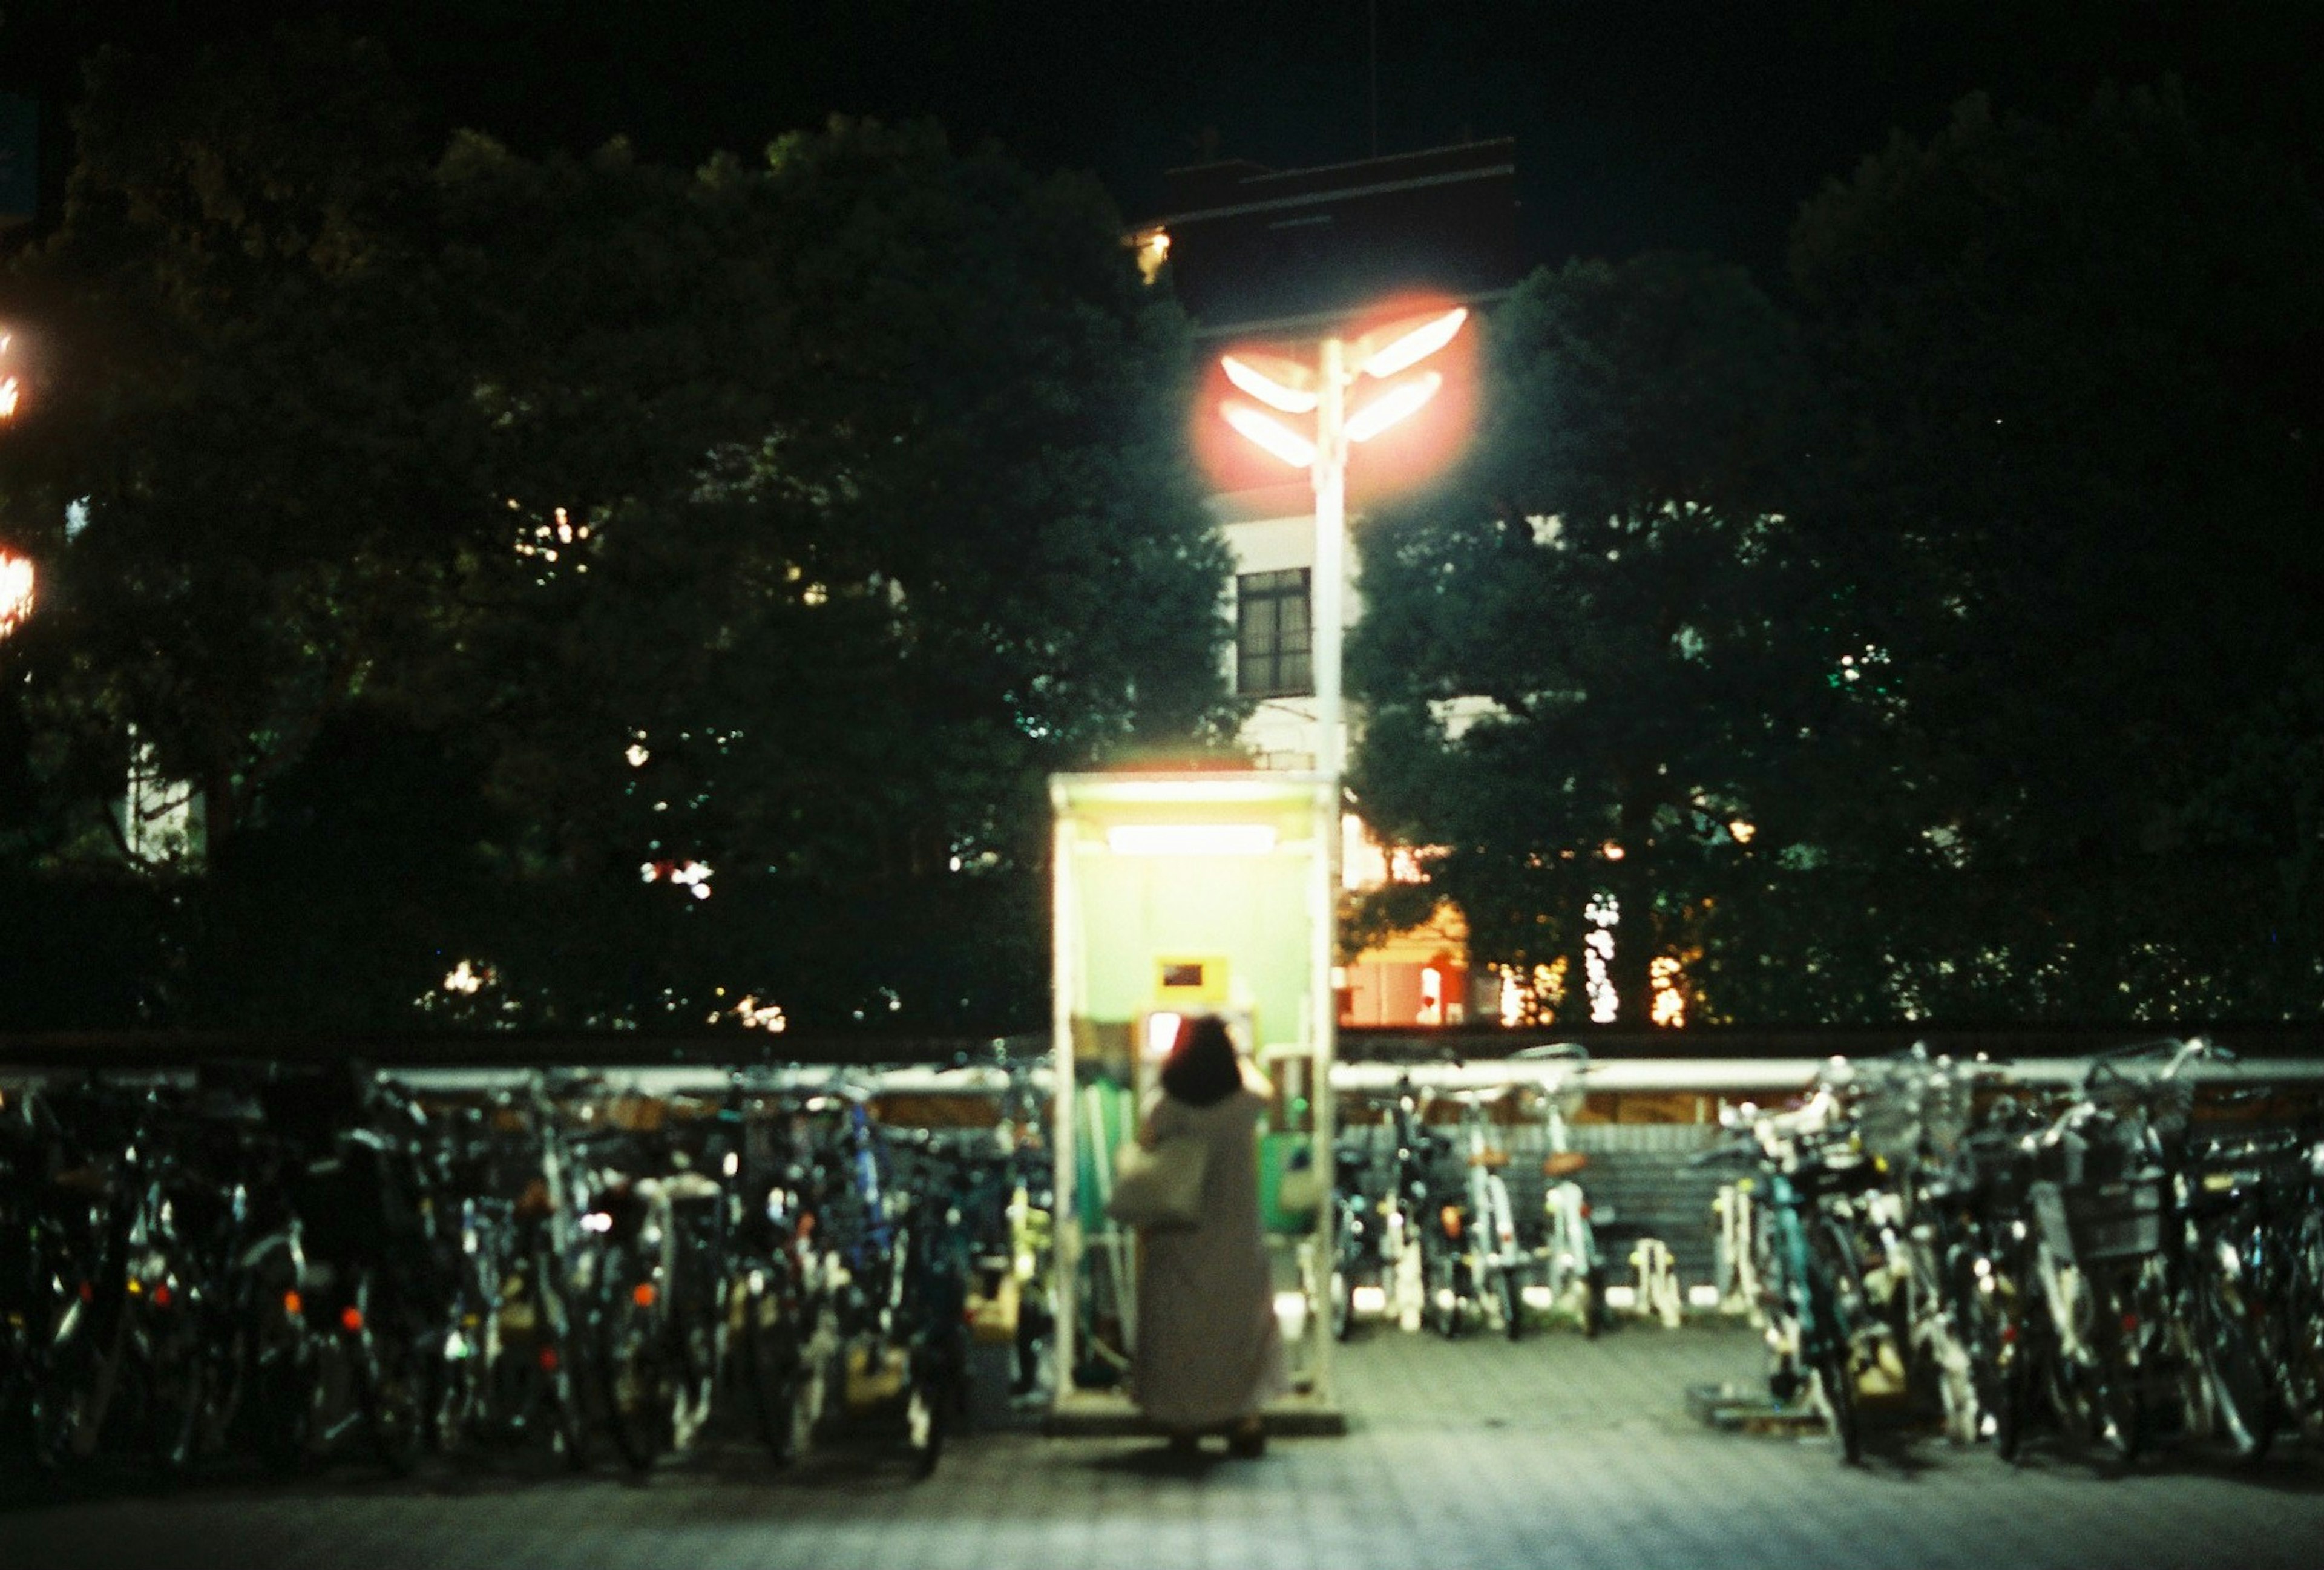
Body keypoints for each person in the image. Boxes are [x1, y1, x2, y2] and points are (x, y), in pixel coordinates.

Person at [1131, 1013, 1287, 1457]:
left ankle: (1183, 1425)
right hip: (1235, 1235)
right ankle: (1244, 1419)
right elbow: (1269, 1092)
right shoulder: (1244, 1105)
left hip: (1176, 1234)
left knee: (1179, 1333)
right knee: (1239, 1331)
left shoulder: (1163, 1107)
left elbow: (1147, 1155)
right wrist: (1239, 1052)